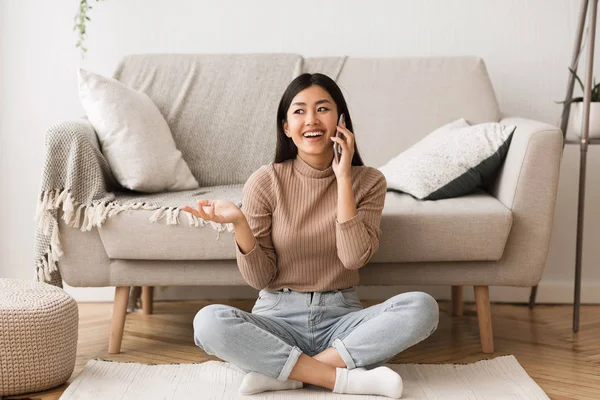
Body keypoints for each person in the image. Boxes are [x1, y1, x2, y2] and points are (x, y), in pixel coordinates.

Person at [180, 73, 439, 398]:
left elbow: (353, 258)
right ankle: (342, 378)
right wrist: (240, 224)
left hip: (341, 319)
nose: (311, 119)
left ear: (340, 120)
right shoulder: (265, 181)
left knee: (422, 307)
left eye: (322, 109)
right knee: (208, 322)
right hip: (277, 318)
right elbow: (260, 276)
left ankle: (285, 373)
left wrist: (343, 179)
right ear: (286, 127)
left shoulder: (369, 181)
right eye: (299, 111)